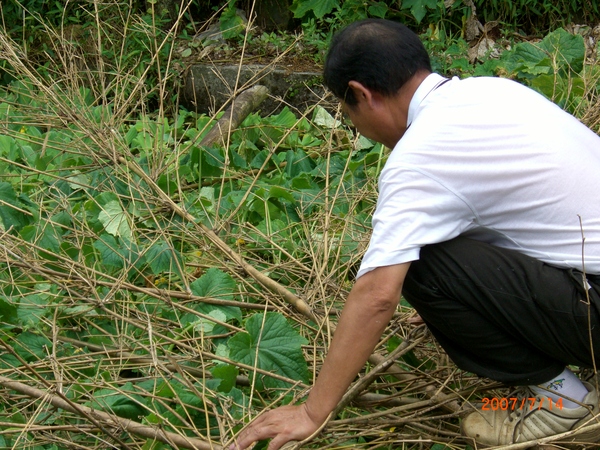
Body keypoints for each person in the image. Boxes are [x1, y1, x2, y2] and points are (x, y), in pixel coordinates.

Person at [231, 18, 600, 449]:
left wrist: (313, 411)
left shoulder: (419, 157)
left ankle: (563, 399)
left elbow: (377, 295)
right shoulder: (492, 90)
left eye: (348, 112)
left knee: (420, 264)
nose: (354, 125)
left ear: (362, 95)